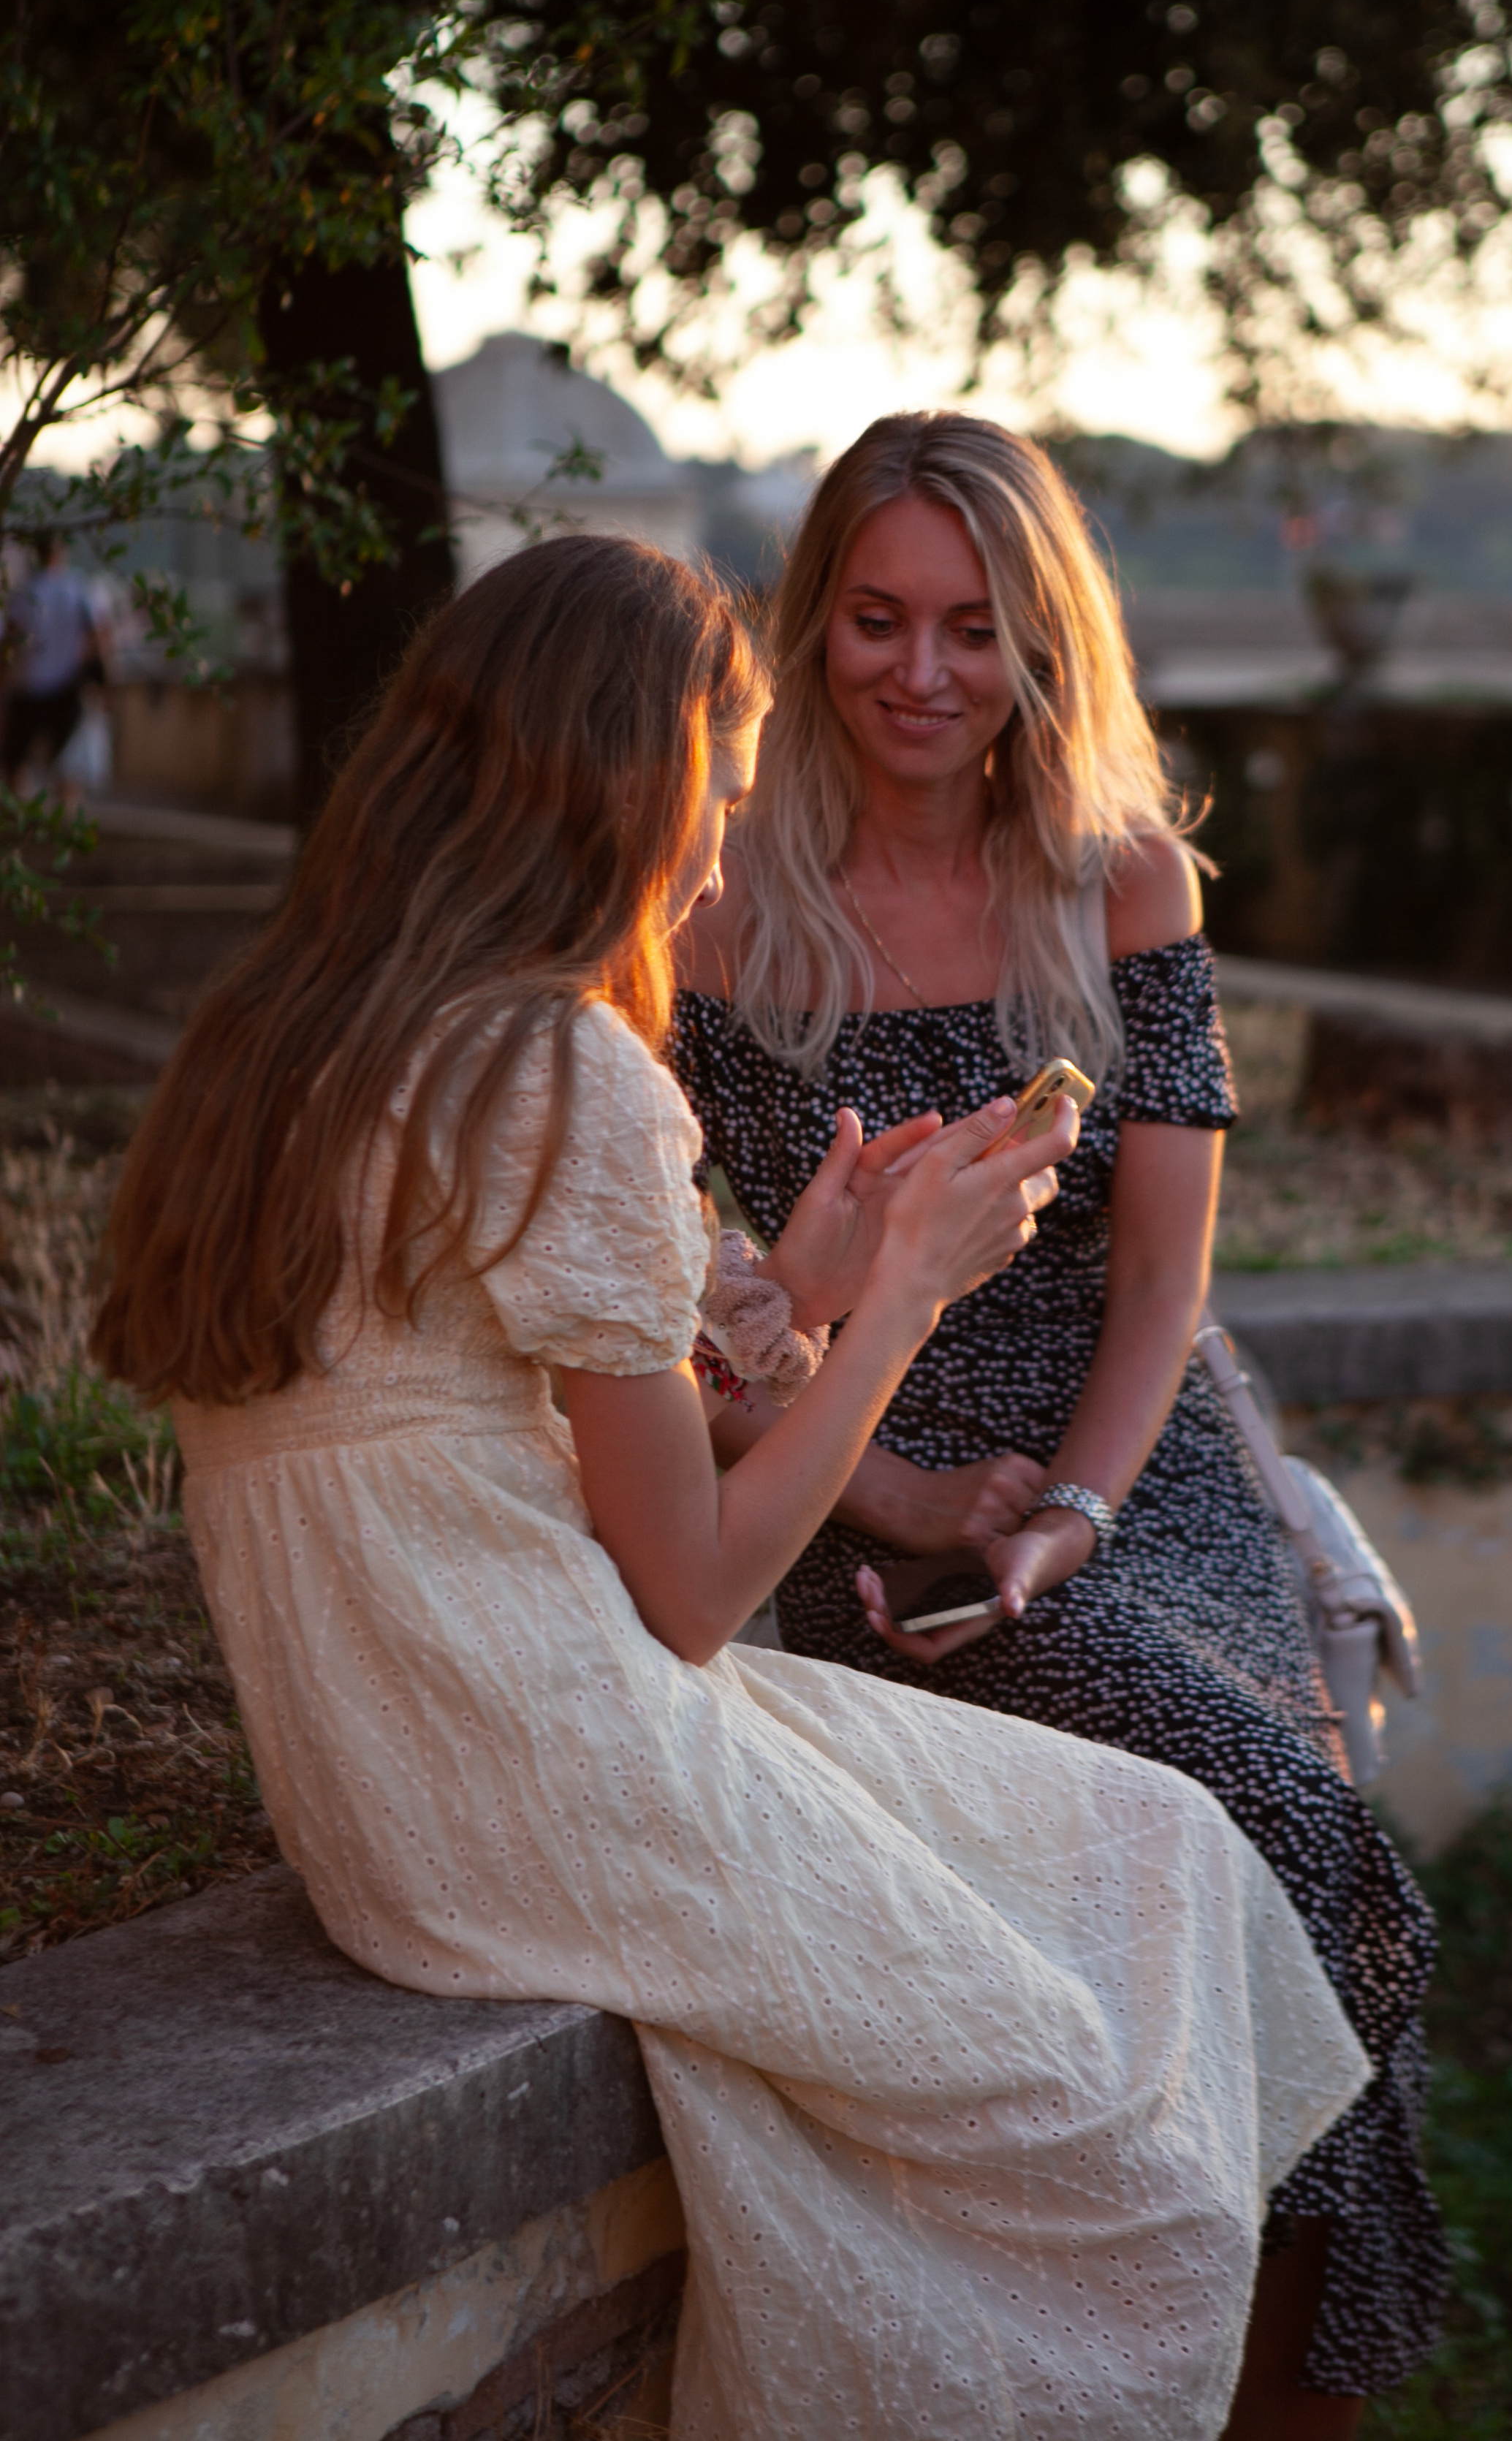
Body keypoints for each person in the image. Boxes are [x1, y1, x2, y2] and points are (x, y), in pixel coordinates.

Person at [92, 535, 1368, 2441]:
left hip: (402, 1782)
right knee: (1099, 2123)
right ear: (621, 775)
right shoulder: (564, 1073)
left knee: (1156, 1850)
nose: (739, 826)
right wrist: (908, 1311)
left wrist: (821, 1289)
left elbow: (483, 1426)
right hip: (555, 1769)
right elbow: (689, 1592)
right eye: (727, 762)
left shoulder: (287, 1039)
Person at [672, 416, 1450, 2434]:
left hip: (1132, 1470)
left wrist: (1083, 1509)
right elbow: (691, 1294)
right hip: (860, 1473)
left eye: (978, 628)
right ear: (812, 616)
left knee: (1299, 1842)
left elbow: (1162, 1273)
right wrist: (915, 1484)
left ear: (1042, 641)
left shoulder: (1117, 875)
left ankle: (1288, 2387)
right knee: (1283, 1834)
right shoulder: (718, 894)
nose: (924, 674)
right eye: (876, 621)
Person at [3, 534, 104, 796]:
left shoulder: (25, 593)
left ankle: (23, 816)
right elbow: (95, 639)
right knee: (67, 765)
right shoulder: (77, 588)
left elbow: (10, 640)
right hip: (65, 686)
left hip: (28, 686)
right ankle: (65, 825)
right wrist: (100, 682)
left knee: (16, 762)